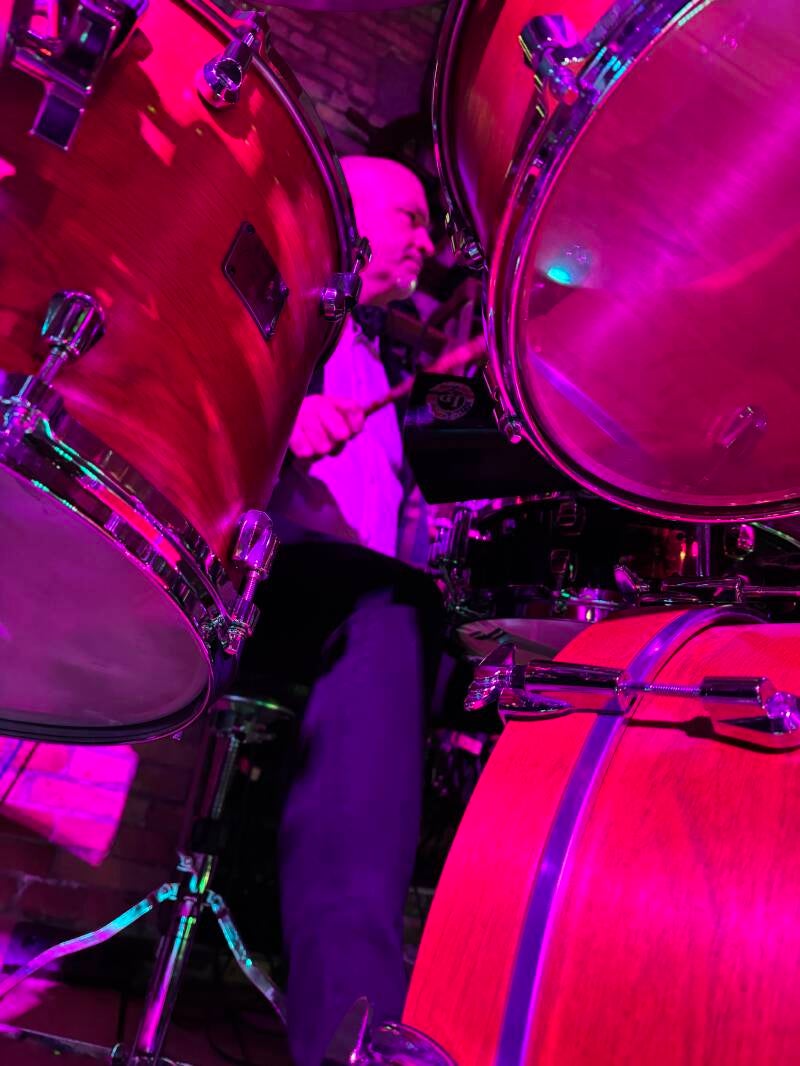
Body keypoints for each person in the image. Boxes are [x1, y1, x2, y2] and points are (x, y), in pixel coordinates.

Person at [238, 155, 441, 1066]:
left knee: (420, 620)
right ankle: (350, 1035)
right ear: (347, 216)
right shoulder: (287, 312)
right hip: (255, 583)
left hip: (346, 613)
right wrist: (281, 421)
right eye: (410, 217)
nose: (428, 242)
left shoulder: (387, 362)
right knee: (391, 605)